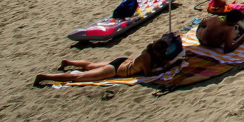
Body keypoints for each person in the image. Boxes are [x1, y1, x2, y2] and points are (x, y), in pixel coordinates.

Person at [34, 34, 182, 87]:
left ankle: (68, 62)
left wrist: (166, 63)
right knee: (79, 77)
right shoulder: (146, 57)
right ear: (158, 51)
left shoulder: (150, 51)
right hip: (117, 70)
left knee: (90, 65)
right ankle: (44, 76)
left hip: (123, 61)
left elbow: (160, 62)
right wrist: (168, 68)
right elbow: (148, 74)